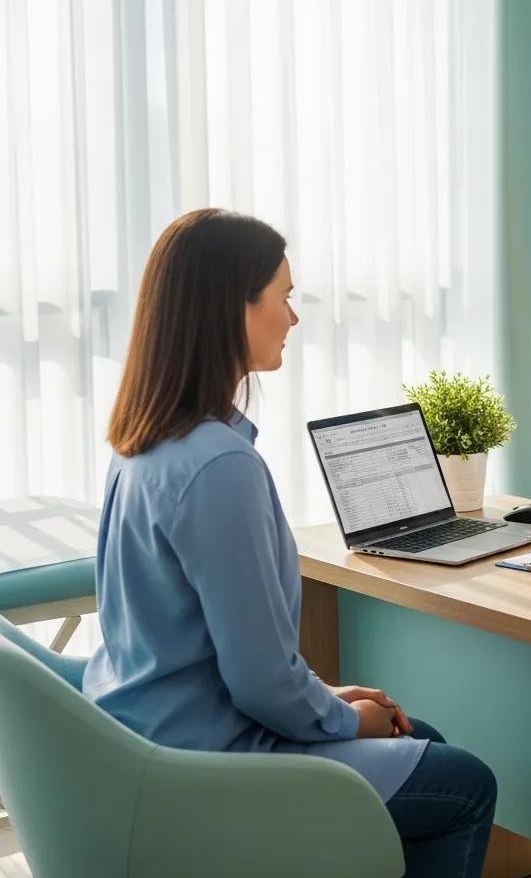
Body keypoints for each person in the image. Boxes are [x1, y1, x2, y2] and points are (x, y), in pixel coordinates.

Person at [83, 208, 496, 877]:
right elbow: (258, 684)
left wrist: (330, 697)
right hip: (209, 766)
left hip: (148, 735)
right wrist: (343, 717)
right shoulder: (220, 468)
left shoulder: (143, 443)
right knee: (463, 784)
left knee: (422, 741)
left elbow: (218, 653)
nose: (294, 319)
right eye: (285, 297)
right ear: (232, 310)